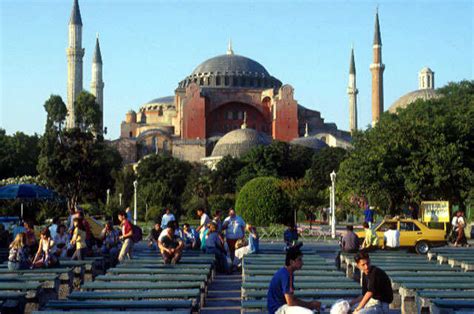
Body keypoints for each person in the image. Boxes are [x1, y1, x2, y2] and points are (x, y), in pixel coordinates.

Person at [267, 247, 321, 314]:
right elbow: (290, 302)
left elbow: (292, 298)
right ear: (291, 262)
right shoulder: (286, 275)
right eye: (299, 260)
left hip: (280, 307)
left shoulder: (287, 272)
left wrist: (310, 304)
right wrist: (310, 305)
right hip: (277, 309)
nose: (302, 263)